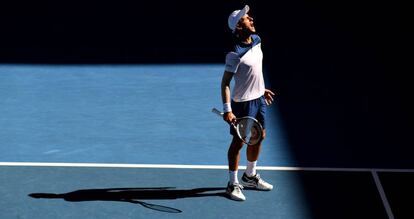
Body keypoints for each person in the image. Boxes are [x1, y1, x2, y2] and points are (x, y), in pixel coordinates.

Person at [221, 5, 276, 201]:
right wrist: (228, 109)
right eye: (246, 18)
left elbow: (255, 70)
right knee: (238, 143)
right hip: (243, 104)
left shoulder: (257, 40)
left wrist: (261, 88)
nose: (251, 19)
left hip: (259, 99)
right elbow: (225, 83)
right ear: (238, 27)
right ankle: (232, 184)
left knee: (259, 136)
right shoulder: (234, 53)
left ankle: (250, 176)